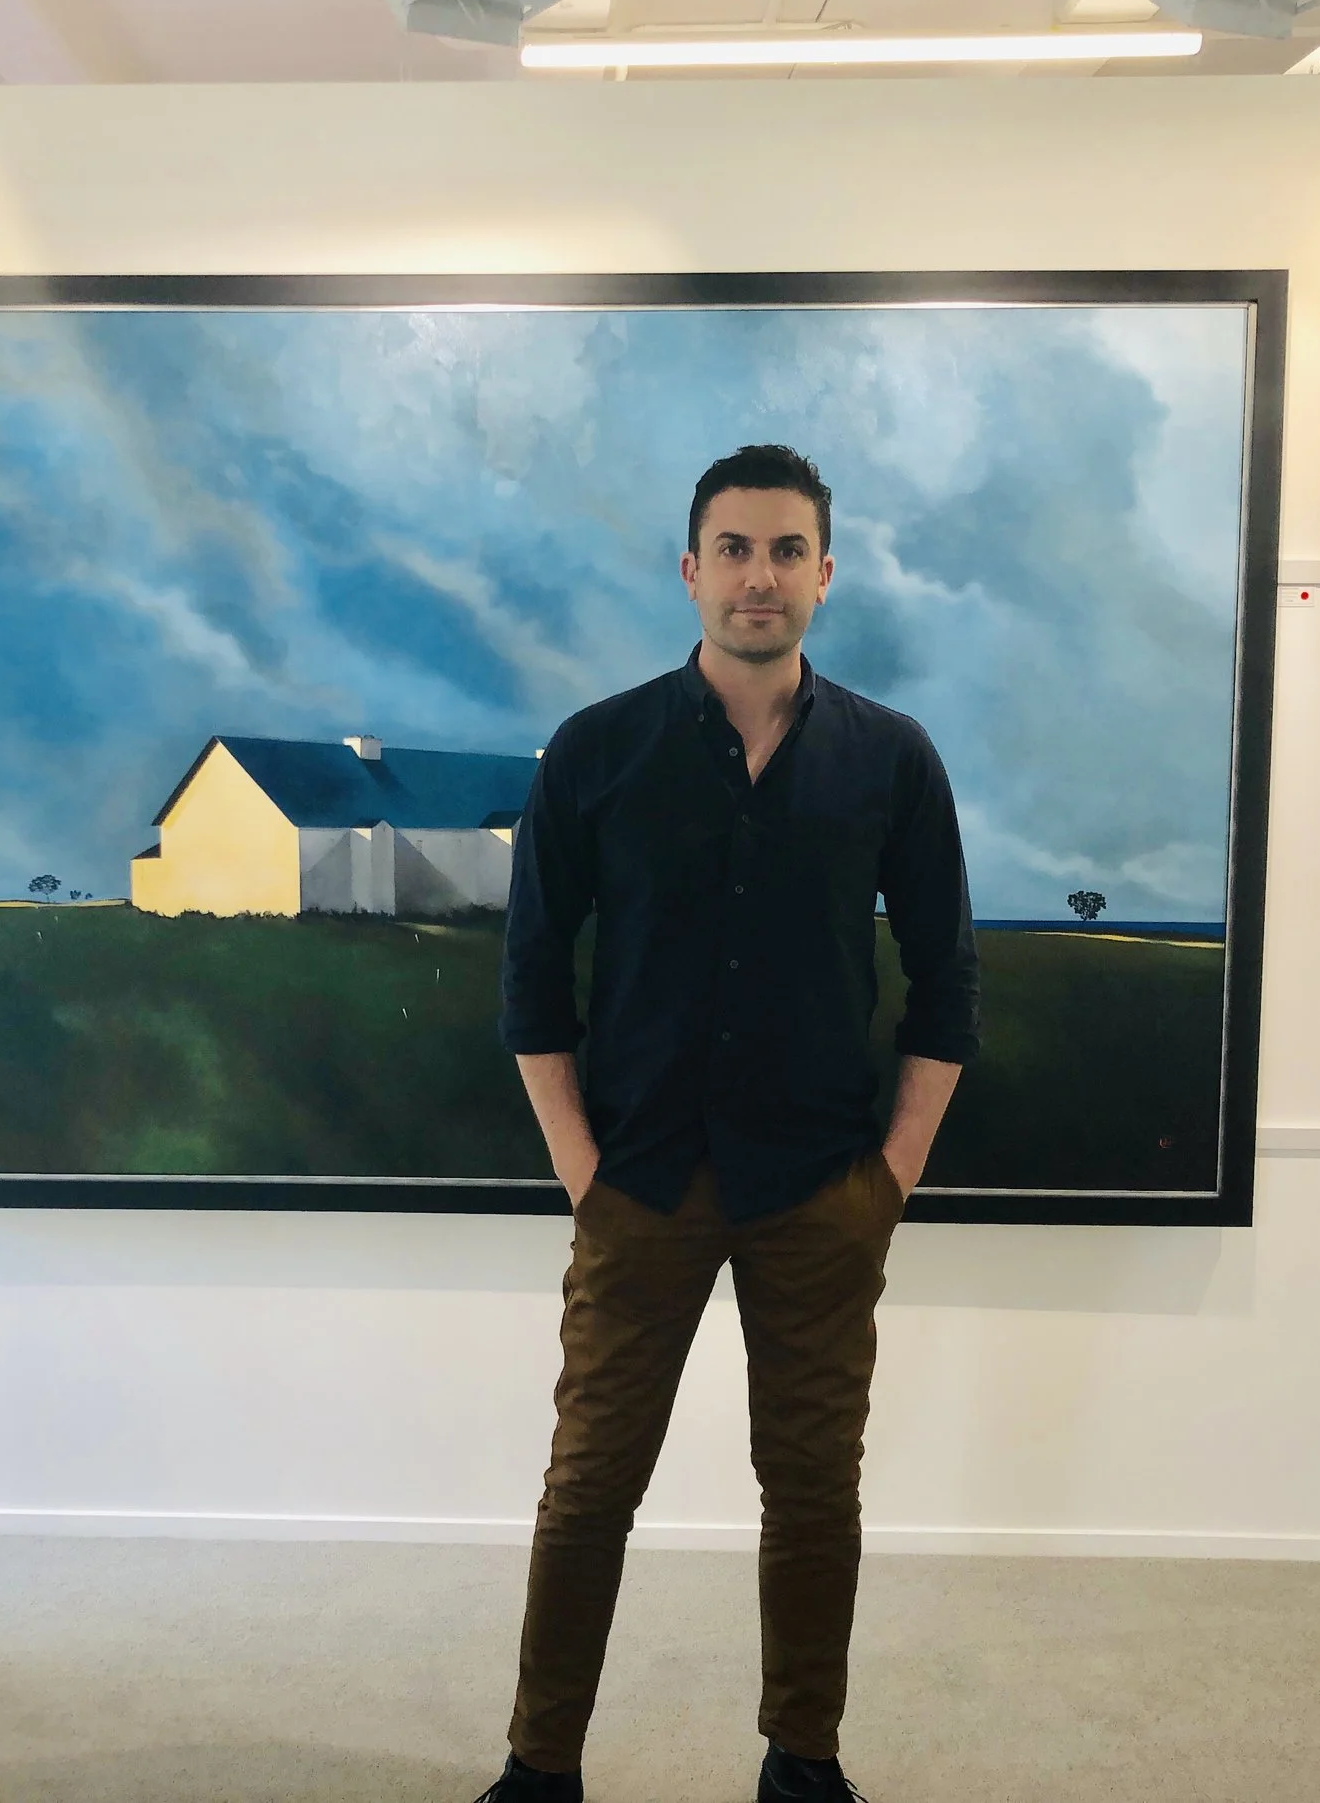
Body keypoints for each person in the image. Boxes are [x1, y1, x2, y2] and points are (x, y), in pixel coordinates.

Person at [476, 444, 980, 1803]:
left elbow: (946, 980)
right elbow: (531, 977)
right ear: (691, 570)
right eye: (737, 549)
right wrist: (582, 1170)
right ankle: (540, 1765)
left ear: (826, 571)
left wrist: (891, 1177)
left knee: (813, 1489)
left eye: (787, 550)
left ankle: (802, 1760)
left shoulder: (892, 758)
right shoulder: (597, 750)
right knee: (590, 1486)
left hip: (821, 1187)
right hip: (638, 1183)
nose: (762, 576)